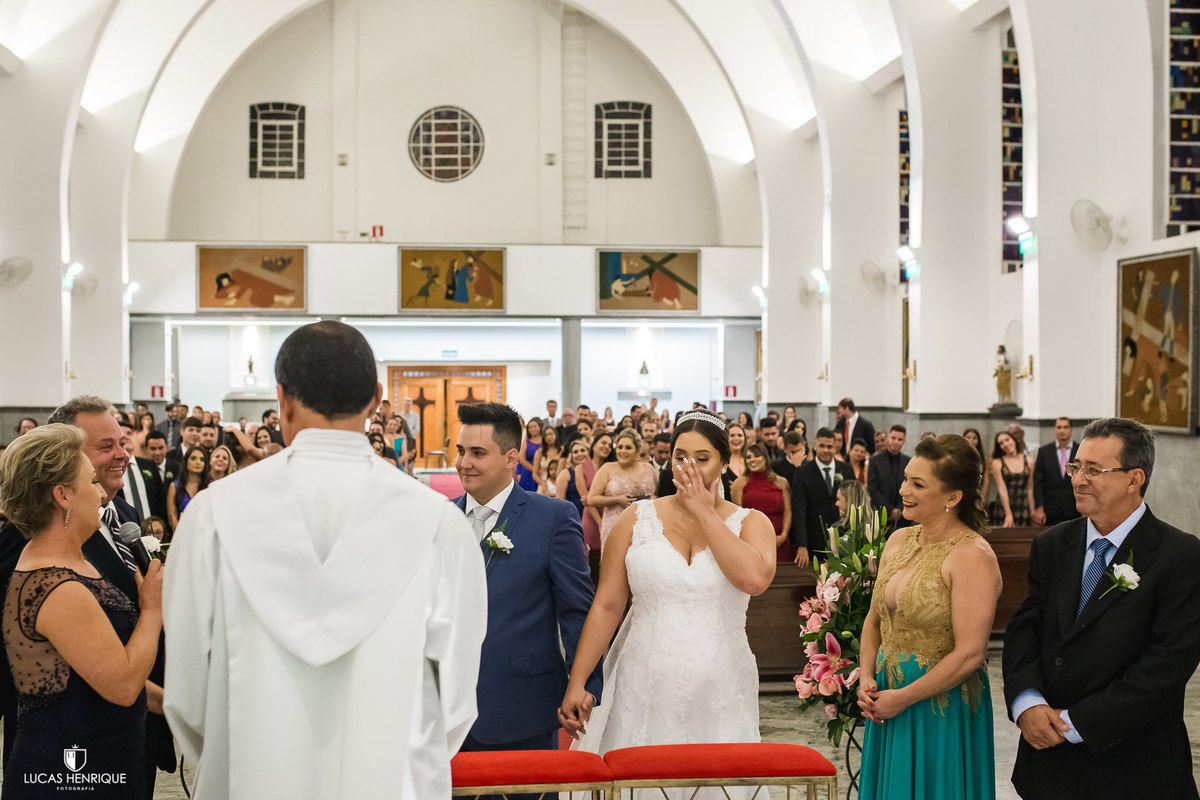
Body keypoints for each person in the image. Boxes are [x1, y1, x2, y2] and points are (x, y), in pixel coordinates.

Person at [163, 321, 486, 799]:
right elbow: (456, 704)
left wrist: (241, 757)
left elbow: (187, 698)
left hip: (250, 778)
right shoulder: (439, 524)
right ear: (377, 399)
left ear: (282, 399)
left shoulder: (214, 514)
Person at [1003, 418, 1200, 800]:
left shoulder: (1180, 556)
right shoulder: (1052, 544)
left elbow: (1167, 666)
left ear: (1134, 478)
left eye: (1094, 470)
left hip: (1133, 767)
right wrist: (1027, 701)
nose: (1077, 479)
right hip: (1049, 766)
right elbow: (1026, 628)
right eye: (1076, 467)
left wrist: (1076, 722)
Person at [560, 409, 776, 758]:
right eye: (680, 457)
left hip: (720, 680)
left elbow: (753, 580)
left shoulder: (752, 522)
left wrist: (704, 511)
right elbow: (607, 605)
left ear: (724, 462)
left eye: (702, 458)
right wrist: (578, 680)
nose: (688, 467)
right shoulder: (636, 518)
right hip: (644, 677)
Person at [0, 425, 165, 799]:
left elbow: (97, 666)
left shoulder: (72, 562)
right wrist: (152, 609)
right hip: (69, 772)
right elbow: (122, 685)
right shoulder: (55, 585)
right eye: (91, 481)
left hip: (104, 757)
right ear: (63, 496)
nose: (102, 492)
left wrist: (167, 704)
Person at [41, 396, 174, 795]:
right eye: (106, 447)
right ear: (65, 459)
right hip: (76, 741)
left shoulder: (128, 516)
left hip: (135, 731)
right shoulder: (37, 536)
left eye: (123, 442)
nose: (122, 455)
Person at [857, 434, 1001, 800]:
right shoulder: (898, 541)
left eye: (918, 484)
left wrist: (905, 697)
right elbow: (874, 620)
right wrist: (868, 678)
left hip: (939, 705)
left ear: (953, 497)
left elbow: (971, 653)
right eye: (906, 478)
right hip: (887, 698)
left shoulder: (972, 556)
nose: (904, 489)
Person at [452, 401, 601, 754]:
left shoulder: (551, 519)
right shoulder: (441, 518)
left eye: (477, 452)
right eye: (460, 451)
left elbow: (577, 609)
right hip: (446, 712)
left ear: (510, 458)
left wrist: (583, 683)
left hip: (520, 706)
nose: (463, 463)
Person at [791, 428, 855, 566]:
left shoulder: (847, 469)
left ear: (835, 448)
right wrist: (802, 545)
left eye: (829, 446)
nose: (826, 450)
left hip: (844, 537)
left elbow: (854, 504)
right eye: (822, 446)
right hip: (814, 539)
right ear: (815, 446)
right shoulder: (802, 472)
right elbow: (799, 510)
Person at [589, 429, 657, 553]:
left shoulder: (648, 468)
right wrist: (617, 500)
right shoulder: (607, 468)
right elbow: (592, 499)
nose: (623, 451)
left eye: (628, 448)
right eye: (620, 447)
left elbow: (658, 494)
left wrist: (653, 499)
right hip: (615, 525)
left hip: (645, 526)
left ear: (637, 451)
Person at [732, 443, 793, 562]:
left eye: (756, 456)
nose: (752, 460)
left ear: (765, 458)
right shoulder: (739, 483)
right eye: (748, 457)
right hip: (751, 544)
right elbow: (737, 516)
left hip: (779, 542)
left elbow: (788, 512)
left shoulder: (781, 482)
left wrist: (783, 536)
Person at [1031, 417, 1080, 526]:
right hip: (1051, 509)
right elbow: (1038, 482)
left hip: (1074, 508)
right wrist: (1039, 507)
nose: (1062, 430)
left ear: (1071, 429)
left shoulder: (1080, 450)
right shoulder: (1044, 451)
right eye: (1059, 427)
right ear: (1055, 429)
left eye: (1066, 427)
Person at [868, 425, 910, 526]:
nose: (896, 442)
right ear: (888, 438)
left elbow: (910, 488)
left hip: (903, 517)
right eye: (893, 438)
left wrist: (900, 509)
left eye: (900, 439)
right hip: (880, 516)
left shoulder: (908, 461)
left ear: (904, 441)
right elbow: (872, 488)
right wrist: (890, 510)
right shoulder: (875, 461)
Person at [991, 431, 1034, 527]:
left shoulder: (1029, 461)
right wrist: (1008, 513)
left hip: (1023, 505)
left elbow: (1030, 488)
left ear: (1013, 440)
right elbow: (1002, 489)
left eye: (1007, 440)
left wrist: (1032, 510)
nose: (1005, 444)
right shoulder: (997, 462)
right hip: (1004, 506)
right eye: (1001, 443)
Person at [167, 446, 211, 531]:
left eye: (202, 459)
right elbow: (172, 516)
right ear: (186, 461)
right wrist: (182, 533)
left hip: (205, 533)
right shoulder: (174, 486)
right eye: (193, 458)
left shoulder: (210, 487)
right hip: (181, 533)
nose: (198, 462)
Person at [556, 440, 592, 520]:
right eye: (575, 452)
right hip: (573, 518)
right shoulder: (566, 473)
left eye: (582, 450)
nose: (580, 454)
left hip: (592, 515)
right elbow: (560, 501)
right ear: (571, 456)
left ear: (588, 452)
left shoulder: (595, 471)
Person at [963, 427, 991, 502]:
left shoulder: (984, 458)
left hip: (978, 492)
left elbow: (986, 480)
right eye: (968, 437)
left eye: (975, 438)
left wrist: (983, 496)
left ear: (978, 440)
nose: (971, 440)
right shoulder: (959, 456)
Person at [532, 425, 562, 494]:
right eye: (546, 435)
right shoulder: (539, 452)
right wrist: (543, 483)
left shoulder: (562, 450)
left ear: (555, 435)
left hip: (560, 483)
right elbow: (535, 474)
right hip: (544, 484)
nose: (548, 437)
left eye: (551, 434)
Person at [515, 417, 542, 492]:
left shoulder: (544, 440)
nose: (533, 429)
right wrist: (534, 469)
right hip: (527, 472)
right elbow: (521, 458)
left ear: (539, 427)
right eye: (530, 427)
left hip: (542, 472)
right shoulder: (526, 441)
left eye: (534, 426)